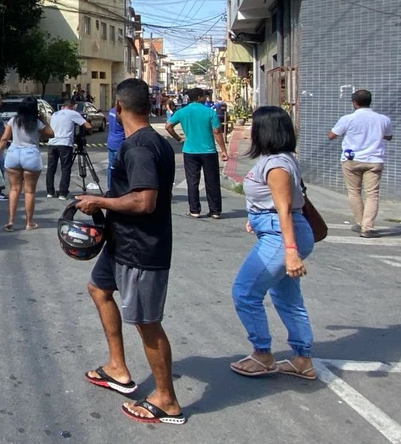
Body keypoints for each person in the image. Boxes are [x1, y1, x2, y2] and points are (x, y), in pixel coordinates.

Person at [75, 78, 182, 426]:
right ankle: (117, 368)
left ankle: (166, 400)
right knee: (98, 288)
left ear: (118, 108)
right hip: (120, 243)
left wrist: (99, 201)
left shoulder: (139, 147)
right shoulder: (155, 141)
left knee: (147, 323)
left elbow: (144, 200)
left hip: (141, 247)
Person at [229, 106, 316, 381]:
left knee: (245, 292)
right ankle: (302, 359)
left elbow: (284, 210)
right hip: (277, 231)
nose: (249, 131)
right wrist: (255, 218)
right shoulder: (280, 159)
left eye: (254, 126)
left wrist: (291, 252)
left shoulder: (277, 165)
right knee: (287, 298)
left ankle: (263, 354)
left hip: (282, 235)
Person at [327, 89, 392, 238]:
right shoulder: (383, 119)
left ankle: (360, 222)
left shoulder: (347, 119)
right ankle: (367, 227)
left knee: (354, 192)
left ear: (354, 103)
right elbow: (389, 136)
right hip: (375, 160)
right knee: (372, 195)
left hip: (352, 160)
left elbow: (331, 135)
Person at [165, 88, 228, 219]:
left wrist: (178, 138)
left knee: (192, 181)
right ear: (199, 97)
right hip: (208, 151)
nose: (205, 98)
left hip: (190, 151)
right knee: (212, 181)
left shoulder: (182, 112)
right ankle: (215, 211)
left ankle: (194, 210)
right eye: (204, 96)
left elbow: (168, 126)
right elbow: (217, 132)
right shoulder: (210, 112)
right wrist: (223, 150)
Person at [0, 100, 53, 231]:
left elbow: (4, 138)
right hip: (31, 155)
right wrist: (43, 119)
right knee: (29, 191)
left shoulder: (13, 121)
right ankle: (29, 222)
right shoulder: (37, 122)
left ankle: (11, 220)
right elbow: (51, 133)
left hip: (13, 154)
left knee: (14, 190)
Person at [46, 98, 92, 199]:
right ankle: (63, 193)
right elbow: (88, 126)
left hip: (52, 143)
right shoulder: (72, 113)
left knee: (51, 168)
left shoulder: (55, 114)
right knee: (65, 168)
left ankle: (50, 192)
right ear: (73, 106)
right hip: (65, 143)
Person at [106, 105, 125, 181]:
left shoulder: (111, 111)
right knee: (120, 169)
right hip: (120, 143)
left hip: (111, 142)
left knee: (111, 167)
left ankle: (110, 188)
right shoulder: (121, 113)